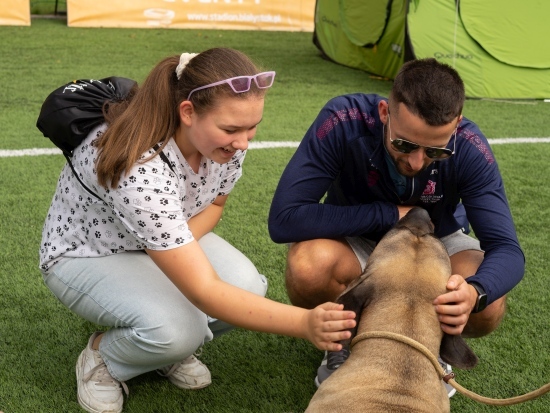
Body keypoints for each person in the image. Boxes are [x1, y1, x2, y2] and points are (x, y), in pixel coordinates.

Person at [39, 48, 356, 413]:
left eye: (253, 126)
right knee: (178, 328)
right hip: (88, 253)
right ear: (187, 112)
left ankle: (162, 352)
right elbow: (205, 291)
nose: (244, 142)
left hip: (156, 240)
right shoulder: (140, 170)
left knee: (247, 286)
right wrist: (305, 322)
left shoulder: (226, 143)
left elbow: (215, 205)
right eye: (231, 129)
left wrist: (173, 250)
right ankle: (103, 357)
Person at [268, 58, 525, 389]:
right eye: (404, 144)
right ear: (385, 112)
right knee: (308, 267)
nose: (417, 161)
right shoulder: (343, 119)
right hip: (355, 238)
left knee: (489, 305)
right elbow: (284, 219)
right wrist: (389, 213)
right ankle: (345, 340)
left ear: (457, 124)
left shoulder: (470, 147)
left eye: (436, 151)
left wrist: (476, 292)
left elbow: (507, 249)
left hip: (437, 242)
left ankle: (430, 347)